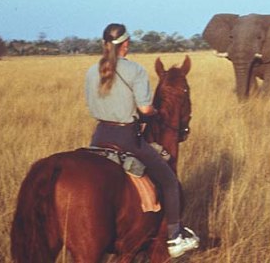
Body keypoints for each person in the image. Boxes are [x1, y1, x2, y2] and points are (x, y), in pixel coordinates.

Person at [84, 23, 199, 258]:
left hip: (99, 137)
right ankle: (175, 237)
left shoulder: (90, 71)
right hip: (127, 138)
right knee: (169, 181)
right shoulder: (135, 71)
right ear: (126, 44)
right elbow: (145, 108)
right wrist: (154, 113)